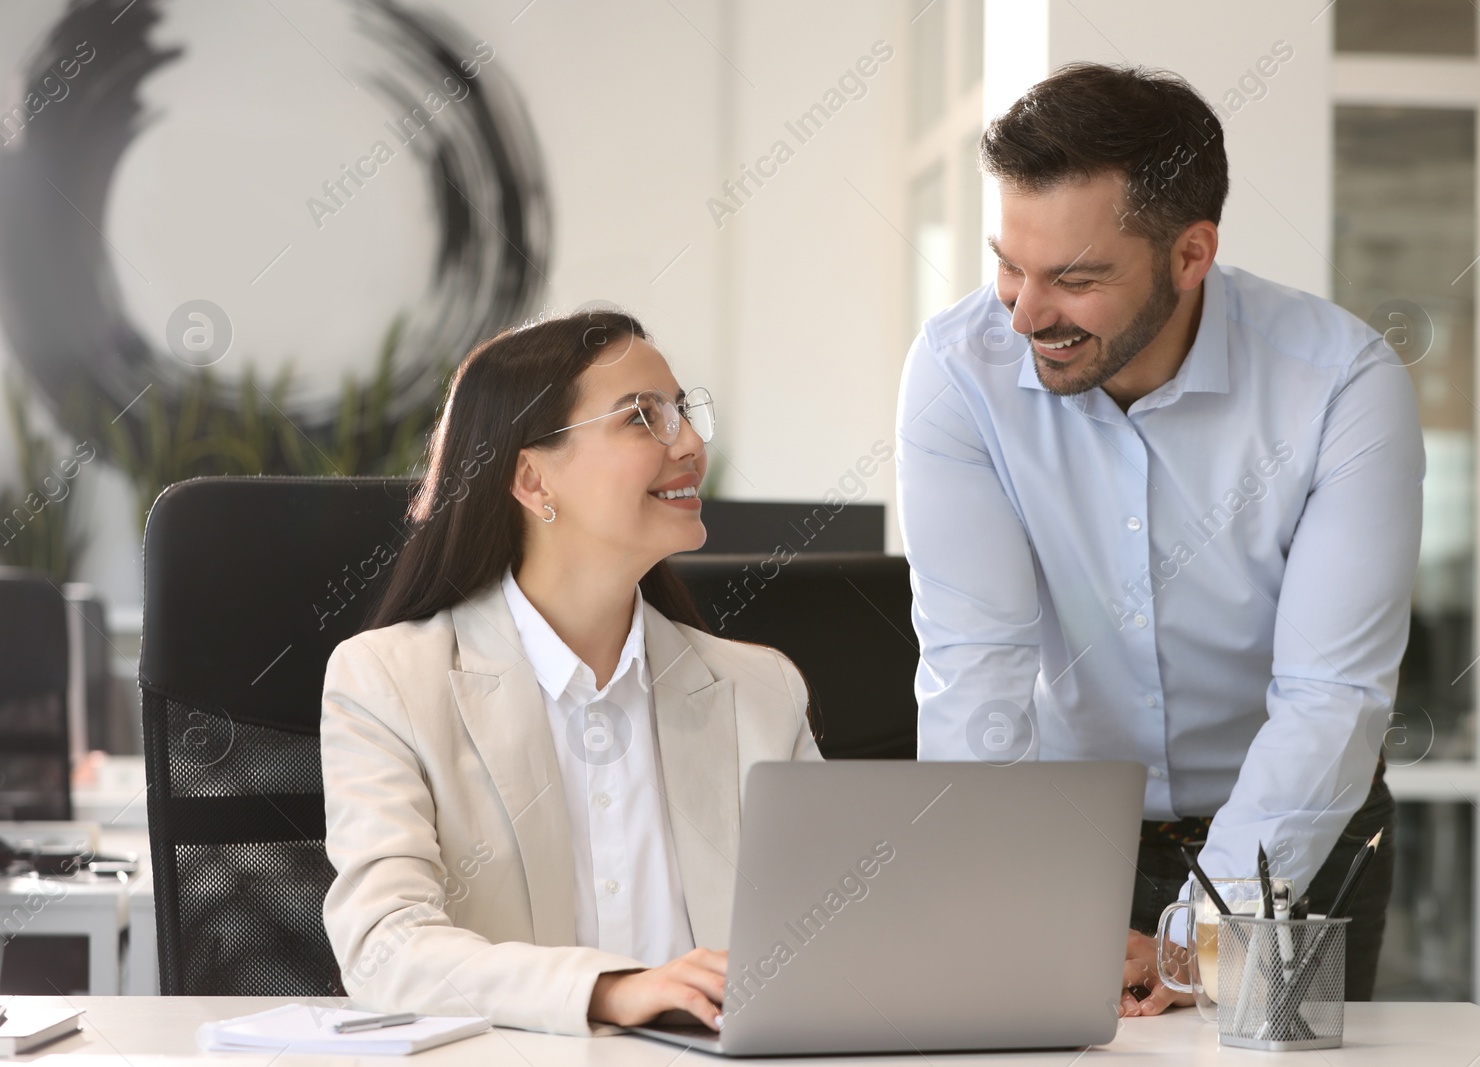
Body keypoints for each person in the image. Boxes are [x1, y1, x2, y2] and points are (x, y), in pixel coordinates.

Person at [896, 63, 1421, 1014]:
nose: (1023, 315)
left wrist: (1200, 938)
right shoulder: (957, 370)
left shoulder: (1342, 384)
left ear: (1191, 254)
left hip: (1300, 838)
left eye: (1075, 279)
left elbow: (1331, 702)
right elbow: (977, 670)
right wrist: (1020, 907)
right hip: (1063, 833)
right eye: (1009, 265)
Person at [320, 311, 822, 1036]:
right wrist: (610, 988)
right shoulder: (388, 681)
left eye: (680, 410)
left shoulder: (763, 690)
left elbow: (838, 937)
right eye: (641, 417)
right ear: (531, 477)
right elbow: (385, 948)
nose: (687, 442)